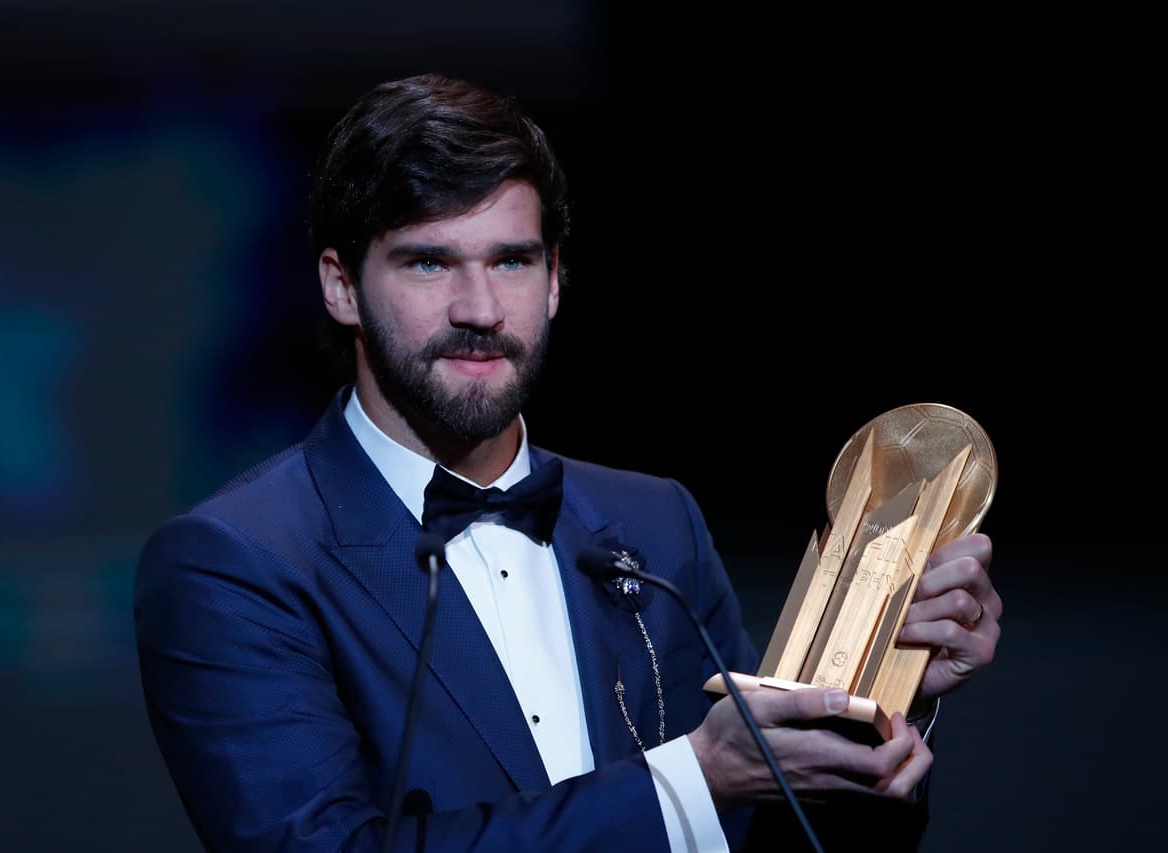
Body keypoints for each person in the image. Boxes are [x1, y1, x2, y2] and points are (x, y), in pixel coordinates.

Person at [134, 73, 1002, 852]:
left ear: (553, 280)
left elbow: (773, 833)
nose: (480, 307)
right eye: (429, 261)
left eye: (511, 260)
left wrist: (885, 699)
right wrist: (693, 778)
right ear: (340, 285)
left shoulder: (655, 523)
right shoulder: (236, 560)